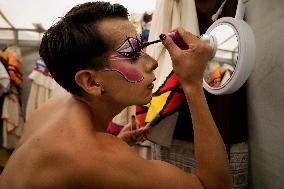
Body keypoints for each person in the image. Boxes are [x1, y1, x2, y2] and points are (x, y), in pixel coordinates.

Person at [0, 2, 232, 189]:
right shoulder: (95, 157)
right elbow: (214, 186)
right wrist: (191, 84)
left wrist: (117, 144)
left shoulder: (53, 108)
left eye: (143, 48)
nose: (152, 62)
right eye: (132, 54)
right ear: (90, 81)